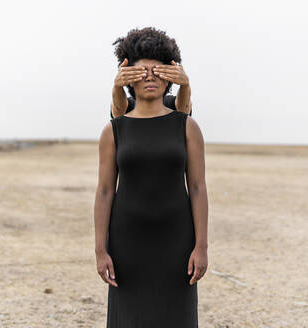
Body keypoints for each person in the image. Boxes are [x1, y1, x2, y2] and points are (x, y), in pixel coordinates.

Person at [94, 27, 208, 328]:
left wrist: (201, 246)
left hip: (177, 241)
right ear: (127, 75)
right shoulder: (114, 129)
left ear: (169, 75)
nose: (149, 78)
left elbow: (197, 188)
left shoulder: (187, 126)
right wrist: (100, 249)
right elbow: (105, 190)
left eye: (157, 71)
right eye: (141, 71)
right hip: (127, 242)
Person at [110, 58, 193, 118]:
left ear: (167, 79)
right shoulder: (129, 106)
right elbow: (118, 112)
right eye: (143, 71)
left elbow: (183, 111)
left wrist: (185, 85)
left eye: (155, 72)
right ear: (131, 80)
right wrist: (118, 86)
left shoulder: (171, 104)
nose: (150, 78)